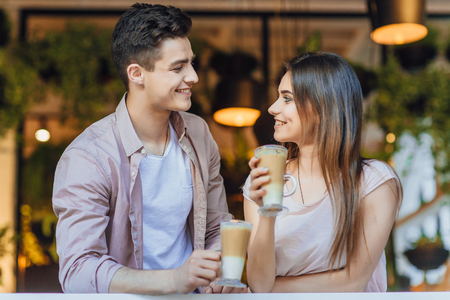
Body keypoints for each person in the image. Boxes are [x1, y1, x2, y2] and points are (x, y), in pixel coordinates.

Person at [52, 3, 244, 294]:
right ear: (137, 74)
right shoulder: (89, 158)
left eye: (192, 63)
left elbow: (217, 227)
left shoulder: (199, 135)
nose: (193, 76)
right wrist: (173, 281)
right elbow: (78, 271)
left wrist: (218, 272)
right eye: (178, 67)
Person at [243, 52, 402, 293]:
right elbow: (258, 283)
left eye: (287, 99)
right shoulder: (262, 181)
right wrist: (267, 212)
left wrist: (275, 289)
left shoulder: (373, 181)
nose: (272, 108)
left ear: (321, 106)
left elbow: (353, 281)